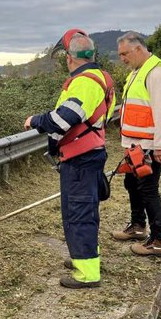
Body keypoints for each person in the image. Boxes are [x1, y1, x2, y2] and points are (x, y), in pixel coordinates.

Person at [24, 29, 115, 288]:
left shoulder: (85, 82)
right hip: (88, 154)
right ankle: (85, 256)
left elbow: (63, 118)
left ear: (69, 58)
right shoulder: (103, 78)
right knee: (84, 210)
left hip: (81, 158)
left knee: (79, 213)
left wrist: (35, 121)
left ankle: (86, 273)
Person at [112, 31, 161, 257]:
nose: (122, 59)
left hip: (149, 145)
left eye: (125, 54)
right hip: (136, 144)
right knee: (132, 184)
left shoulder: (157, 71)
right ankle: (138, 226)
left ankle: (159, 240)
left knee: (148, 189)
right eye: (120, 54)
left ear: (138, 49)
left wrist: (160, 145)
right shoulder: (137, 72)